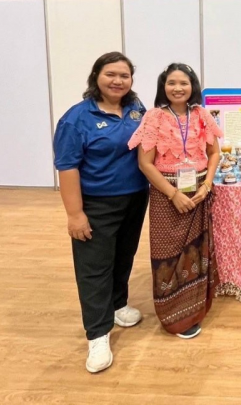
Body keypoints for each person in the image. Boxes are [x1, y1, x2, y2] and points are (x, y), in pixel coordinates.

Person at [53, 52, 149, 374]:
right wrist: (75, 214)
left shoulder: (136, 109)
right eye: (111, 74)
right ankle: (97, 334)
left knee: (123, 256)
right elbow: (67, 167)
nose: (117, 81)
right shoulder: (76, 119)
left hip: (135, 198)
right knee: (94, 269)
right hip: (97, 204)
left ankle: (118, 305)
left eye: (124, 75)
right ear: (96, 76)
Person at [128, 63, 222, 339]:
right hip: (166, 196)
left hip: (199, 192)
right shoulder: (154, 117)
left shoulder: (202, 115)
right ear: (163, 87)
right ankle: (173, 315)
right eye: (171, 83)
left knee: (197, 251)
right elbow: (145, 163)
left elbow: (214, 153)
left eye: (184, 83)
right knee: (167, 253)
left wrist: (207, 185)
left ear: (193, 86)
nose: (178, 88)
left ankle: (194, 309)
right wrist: (173, 194)